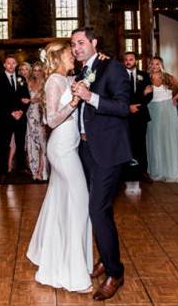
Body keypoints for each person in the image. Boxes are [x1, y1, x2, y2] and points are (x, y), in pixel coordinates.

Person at [70, 26, 130, 301]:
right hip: (87, 149)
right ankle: (106, 258)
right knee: (99, 210)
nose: (76, 48)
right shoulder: (83, 72)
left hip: (108, 151)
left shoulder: (113, 68)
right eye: (73, 45)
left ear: (94, 42)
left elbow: (121, 107)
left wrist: (89, 97)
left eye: (81, 42)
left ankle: (115, 272)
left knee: (97, 209)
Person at [27, 41, 92, 293]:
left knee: (59, 203)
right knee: (80, 202)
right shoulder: (54, 81)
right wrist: (74, 103)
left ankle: (48, 255)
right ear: (58, 58)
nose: (73, 56)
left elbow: (88, 73)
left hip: (71, 146)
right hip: (62, 150)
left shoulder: (67, 79)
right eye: (69, 53)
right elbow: (51, 119)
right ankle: (72, 273)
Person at [145, 60, 178, 182]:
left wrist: (174, 98)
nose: (154, 66)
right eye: (152, 64)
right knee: (155, 139)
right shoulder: (147, 78)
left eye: (157, 64)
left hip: (168, 110)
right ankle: (157, 171)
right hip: (152, 109)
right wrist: (144, 92)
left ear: (161, 65)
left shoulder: (168, 77)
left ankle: (171, 172)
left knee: (168, 138)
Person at [0, 55, 30, 178]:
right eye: (8, 63)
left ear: (16, 65)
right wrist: (11, 112)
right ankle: (2, 170)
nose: (11, 65)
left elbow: (26, 97)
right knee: (3, 144)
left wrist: (21, 111)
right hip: (5, 117)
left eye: (13, 63)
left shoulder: (21, 79)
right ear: (4, 64)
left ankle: (20, 169)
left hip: (20, 117)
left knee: (20, 144)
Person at [123, 52, 153, 183]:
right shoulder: (119, 76)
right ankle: (126, 173)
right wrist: (128, 107)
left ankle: (143, 172)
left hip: (141, 115)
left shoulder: (144, 75)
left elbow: (149, 95)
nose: (128, 62)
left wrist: (138, 105)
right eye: (126, 60)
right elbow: (117, 95)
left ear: (135, 60)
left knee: (141, 144)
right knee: (126, 144)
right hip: (125, 115)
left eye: (131, 59)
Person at [25, 61, 48, 181]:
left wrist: (39, 98)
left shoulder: (46, 83)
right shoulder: (28, 82)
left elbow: (48, 99)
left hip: (41, 115)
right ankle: (34, 170)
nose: (37, 73)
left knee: (42, 143)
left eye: (40, 70)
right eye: (35, 70)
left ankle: (41, 170)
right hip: (29, 116)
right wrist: (27, 100)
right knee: (32, 143)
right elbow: (23, 97)